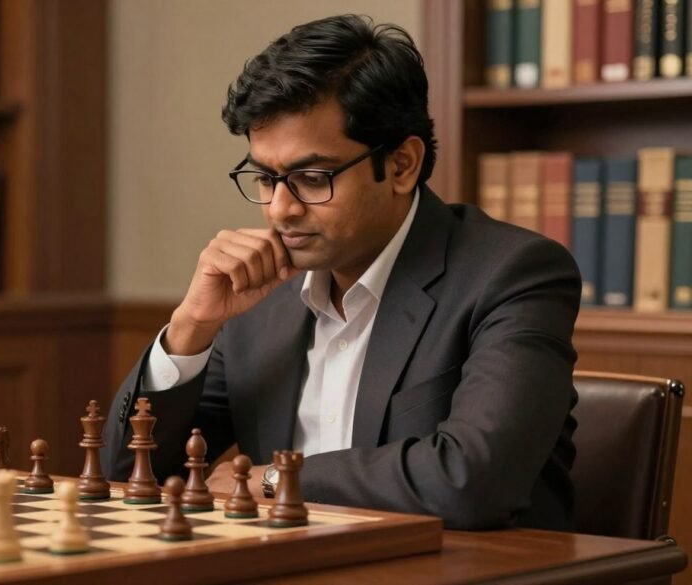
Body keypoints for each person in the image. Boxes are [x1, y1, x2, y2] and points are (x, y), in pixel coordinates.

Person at [100, 14, 580, 531]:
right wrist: (192, 326)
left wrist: (273, 480)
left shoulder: (513, 274)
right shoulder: (261, 293)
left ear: (401, 166)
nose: (280, 209)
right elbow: (129, 472)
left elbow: (471, 480)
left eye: (311, 177)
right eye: (265, 177)